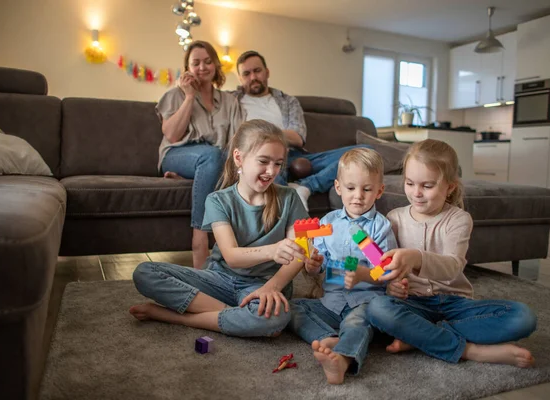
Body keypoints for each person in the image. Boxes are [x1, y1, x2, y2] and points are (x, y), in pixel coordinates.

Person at [130, 120, 322, 337]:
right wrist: (271, 250)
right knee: (145, 272)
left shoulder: (289, 198)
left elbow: (299, 253)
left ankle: (175, 316)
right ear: (239, 158)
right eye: (263, 161)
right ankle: (239, 316)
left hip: (265, 284)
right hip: (220, 279)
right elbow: (231, 256)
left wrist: (274, 286)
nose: (271, 171)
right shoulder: (217, 200)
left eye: (278, 163)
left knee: (276, 316)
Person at [366, 139, 537, 368]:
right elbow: (383, 265)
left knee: (523, 317)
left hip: (455, 303)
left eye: (427, 186)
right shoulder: (394, 218)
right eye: (409, 183)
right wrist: (390, 285)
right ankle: (470, 350)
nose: (416, 193)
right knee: (377, 309)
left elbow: (453, 267)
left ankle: (421, 336)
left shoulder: (459, 219)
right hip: (412, 303)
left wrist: (416, 257)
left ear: (450, 186)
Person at [288, 148, 398, 384]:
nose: (358, 195)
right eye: (350, 188)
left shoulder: (379, 227)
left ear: (379, 191)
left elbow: (385, 271)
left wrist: (363, 274)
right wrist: (313, 264)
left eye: (367, 189)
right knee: (292, 309)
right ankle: (330, 338)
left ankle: (343, 358)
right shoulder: (329, 223)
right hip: (332, 300)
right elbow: (318, 266)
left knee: (357, 323)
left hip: (364, 301)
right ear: (338, 188)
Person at [233, 50, 370, 211]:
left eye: (257, 71)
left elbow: (297, 137)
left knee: (365, 152)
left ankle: (305, 187)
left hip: (296, 155)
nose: (253, 77)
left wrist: (261, 134)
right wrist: (271, 142)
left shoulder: (288, 101)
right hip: (262, 158)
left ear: (267, 72)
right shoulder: (232, 102)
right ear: (240, 78)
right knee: (272, 168)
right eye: (246, 73)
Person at [156, 40, 244, 269]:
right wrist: (188, 96)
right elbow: (172, 135)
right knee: (212, 157)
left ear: (215, 64)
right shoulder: (175, 95)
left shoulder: (230, 101)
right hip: (178, 154)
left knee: (219, 159)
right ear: (188, 67)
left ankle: (197, 178)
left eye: (207, 61)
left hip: (214, 159)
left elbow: (237, 141)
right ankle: (200, 236)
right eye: (196, 63)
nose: (202, 67)